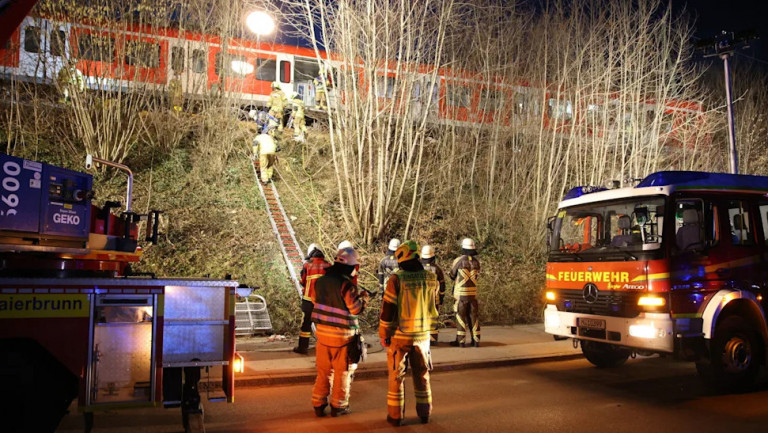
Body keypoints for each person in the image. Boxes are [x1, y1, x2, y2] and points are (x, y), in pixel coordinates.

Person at [379, 240, 439, 426]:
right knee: (422, 375)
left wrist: (384, 333)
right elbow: (435, 305)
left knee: (397, 376)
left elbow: (388, 309)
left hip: (401, 336)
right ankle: (425, 413)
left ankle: (396, 416)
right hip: (423, 337)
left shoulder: (396, 279)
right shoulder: (431, 278)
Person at [311, 247, 369, 417]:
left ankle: (318, 403)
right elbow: (355, 308)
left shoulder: (320, 281)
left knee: (323, 371)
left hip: (322, 335)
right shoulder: (346, 285)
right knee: (342, 372)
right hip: (343, 339)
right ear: (351, 267)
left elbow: (316, 300)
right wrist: (364, 299)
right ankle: (339, 405)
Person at [294, 243, 330, 355]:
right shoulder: (328, 265)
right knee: (325, 325)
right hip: (324, 301)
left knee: (306, 325)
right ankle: (326, 347)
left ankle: (303, 347)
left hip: (308, 300)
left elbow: (303, 280)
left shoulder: (307, 265)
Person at [449, 238, 481, 347]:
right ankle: (476, 341)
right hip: (473, 295)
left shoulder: (459, 260)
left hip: (461, 295)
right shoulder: (476, 262)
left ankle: (461, 341)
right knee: (474, 318)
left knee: (460, 318)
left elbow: (452, 275)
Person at [420, 244, 445, 346]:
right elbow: (442, 284)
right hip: (434, 298)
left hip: (420, 299)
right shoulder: (437, 269)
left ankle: (421, 339)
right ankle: (433, 340)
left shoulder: (417, 269)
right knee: (433, 318)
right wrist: (442, 297)